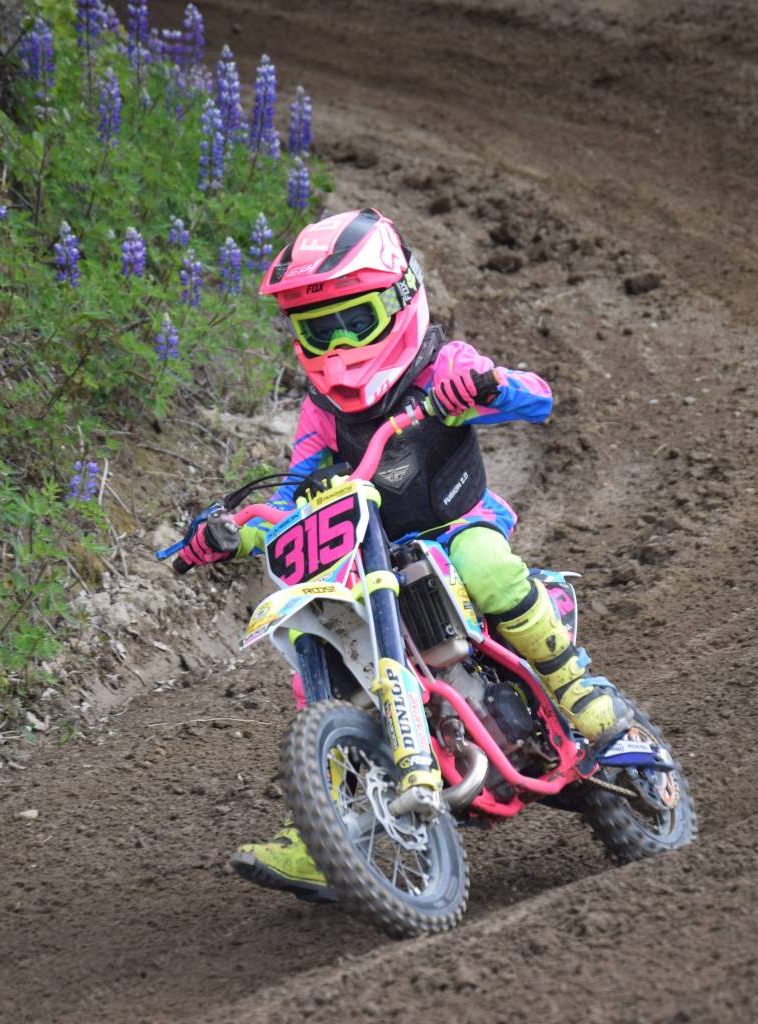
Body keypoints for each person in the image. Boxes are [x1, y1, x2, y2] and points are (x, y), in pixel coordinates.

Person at [172, 208, 631, 902]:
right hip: (370, 555)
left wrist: (484, 388)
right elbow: (293, 491)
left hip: (456, 526)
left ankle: (575, 687)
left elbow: (536, 399)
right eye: (319, 329)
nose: (339, 343)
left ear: (399, 300)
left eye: (354, 321)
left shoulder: (441, 364)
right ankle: (329, 819)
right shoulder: (321, 411)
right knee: (318, 643)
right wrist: (236, 530)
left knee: (484, 565)